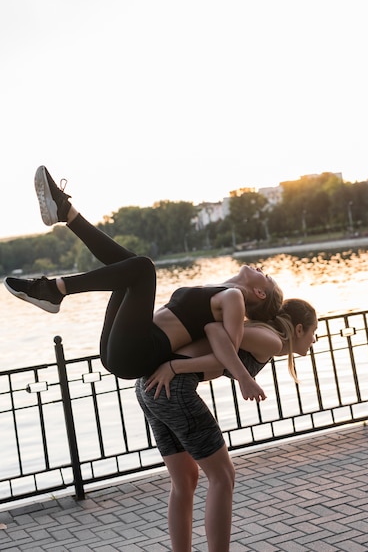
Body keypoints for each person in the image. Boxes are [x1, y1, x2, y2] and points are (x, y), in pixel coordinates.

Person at [4, 166, 284, 400]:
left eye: (266, 275)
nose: (261, 268)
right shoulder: (221, 290)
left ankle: (54, 289)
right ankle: (66, 213)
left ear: (259, 292)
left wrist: (243, 379)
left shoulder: (233, 297)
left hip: (136, 353)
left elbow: (225, 354)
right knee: (128, 269)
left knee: (144, 269)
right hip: (123, 347)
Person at [136, 298, 318, 552]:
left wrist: (173, 366)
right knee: (223, 476)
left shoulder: (266, 337)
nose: (314, 339)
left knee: (185, 480)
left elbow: (221, 354)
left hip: (149, 386)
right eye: (314, 332)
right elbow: (214, 330)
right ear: (299, 329)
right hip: (171, 387)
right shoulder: (272, 340)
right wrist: (176, 367)